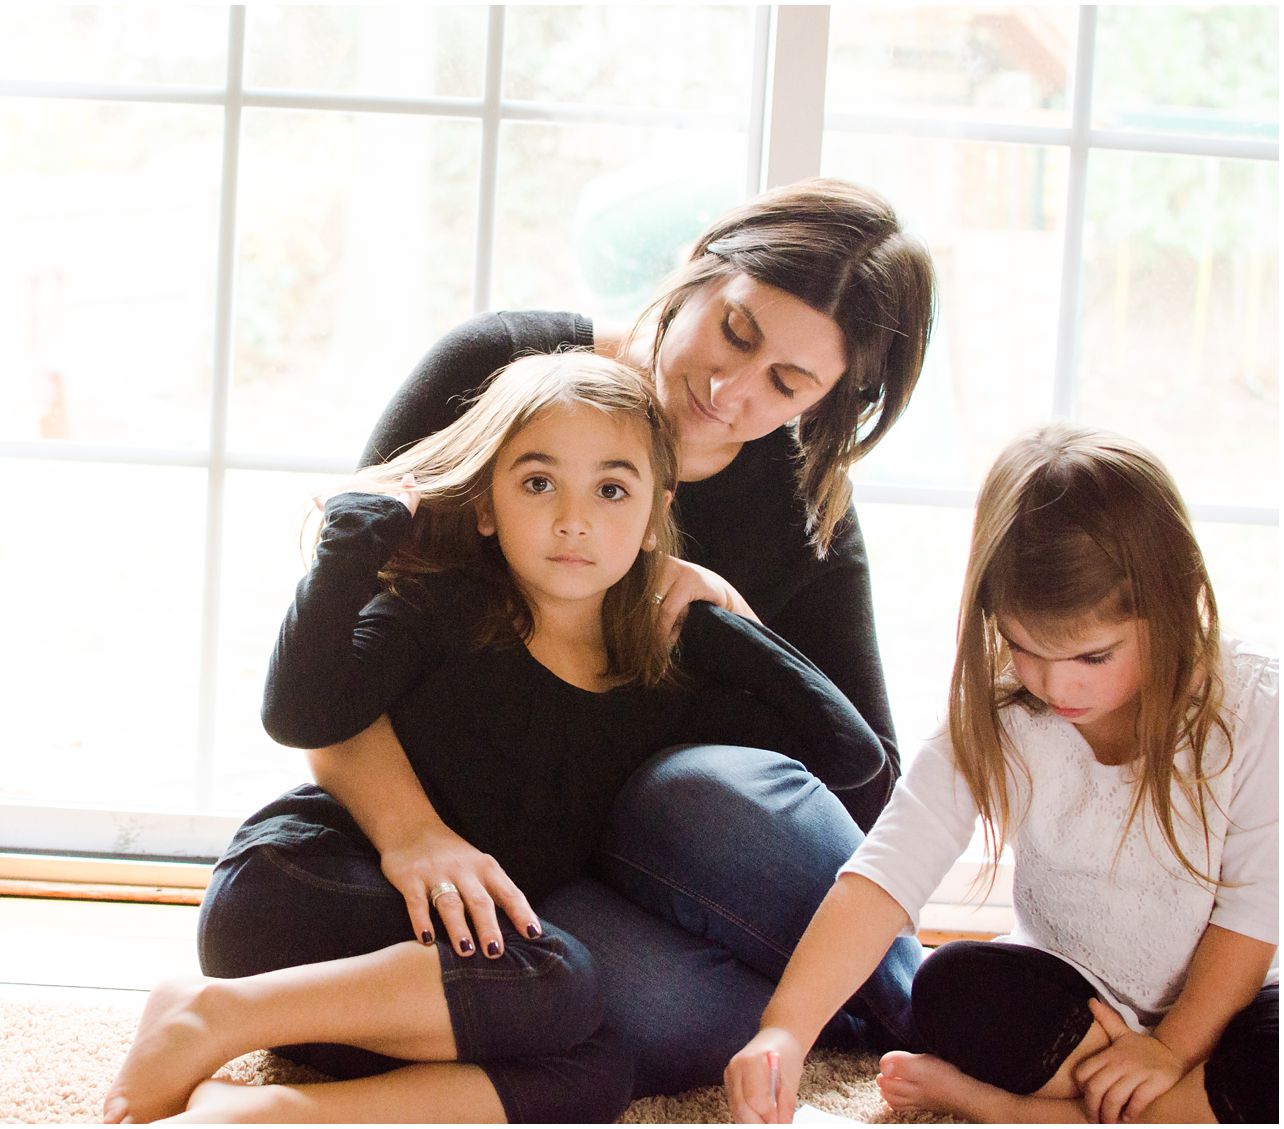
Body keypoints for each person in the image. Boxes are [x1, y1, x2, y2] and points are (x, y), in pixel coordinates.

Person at [103, 351, 888, 1123]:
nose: (573, 519)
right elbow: (301, 713)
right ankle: (209, 1013)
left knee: (598, 1069)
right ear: (486, 505)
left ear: (656, 511)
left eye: (613, 490)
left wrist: (731, 621)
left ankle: (270, 1114)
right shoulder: (442, 609)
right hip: (303, 893)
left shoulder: (664, 672)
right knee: (564, 981)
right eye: (538, 482)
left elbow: (850, 758)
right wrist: (351, 543)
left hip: (456, 984)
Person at [311, 177, 938, 1097]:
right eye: (735, 331)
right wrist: (414, 837)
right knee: (589, 1007)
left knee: (695, 795)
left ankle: (932, 1013)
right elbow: (322, 661)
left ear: (832, 398)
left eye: (787, 383)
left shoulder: (804, 504)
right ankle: (843, 1006)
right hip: (532, 876)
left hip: (686, 858)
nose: (730, 389)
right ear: (697, 269)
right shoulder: (502, 371)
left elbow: (868, 783)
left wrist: (742, 631)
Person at [725, 424, 1278, 1125]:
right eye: (1022, 644)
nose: (1054, 683)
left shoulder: (1256, 704)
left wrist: (1170, 1048)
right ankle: (1155, 1111)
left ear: (1177, 603)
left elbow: (1252, 914)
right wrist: (787, 1027)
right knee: (949, 985)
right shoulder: (1001, 708)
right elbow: (887, 870)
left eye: (1093, 656)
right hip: (1071, 1008)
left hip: (1224, 1011)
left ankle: (1001, 1108)